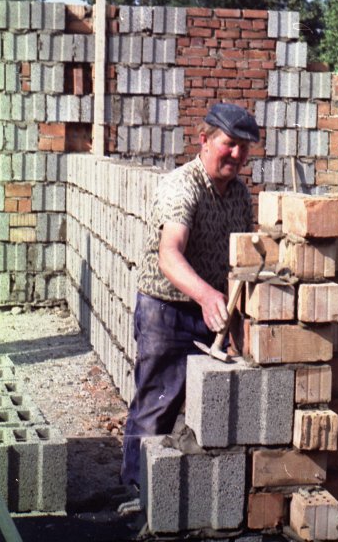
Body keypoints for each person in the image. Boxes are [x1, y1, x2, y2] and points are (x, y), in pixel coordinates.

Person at [120, 102, 259, 491]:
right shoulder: (182, 186)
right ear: (204, 140)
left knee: (206, 409)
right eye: (229, 144)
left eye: (244, 148)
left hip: (209, 309)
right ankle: (135, 493)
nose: (237, 154)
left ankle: (185, 500)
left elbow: (240, 260)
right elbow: (170, 254)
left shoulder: (239, 196)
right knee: (157, 405)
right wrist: (207, 295)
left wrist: (238, 316)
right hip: (165, 311)